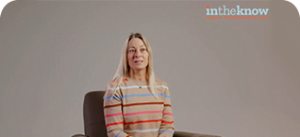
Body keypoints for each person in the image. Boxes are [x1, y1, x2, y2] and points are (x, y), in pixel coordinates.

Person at [103, 33, 174, 137]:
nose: (138, 55)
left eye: (142, 50)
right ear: (126, 57)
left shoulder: (162, 88)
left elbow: (167, 127)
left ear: (148, 54)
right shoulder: (115, 89)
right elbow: (115, 132)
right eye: (132, 50)